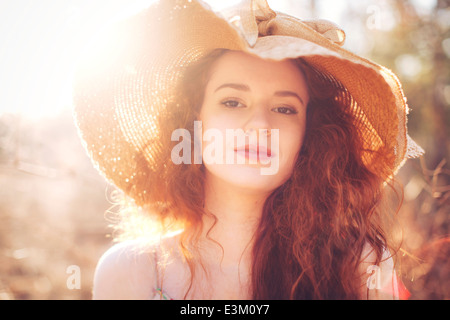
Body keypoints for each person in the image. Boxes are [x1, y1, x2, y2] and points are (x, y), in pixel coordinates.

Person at [73, 0, 423, 300]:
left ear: (309, 135)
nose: (259, 125)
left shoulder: (359, 267)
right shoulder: (131, 272)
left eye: (285, 109)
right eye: (232, 101)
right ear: (193, 122)